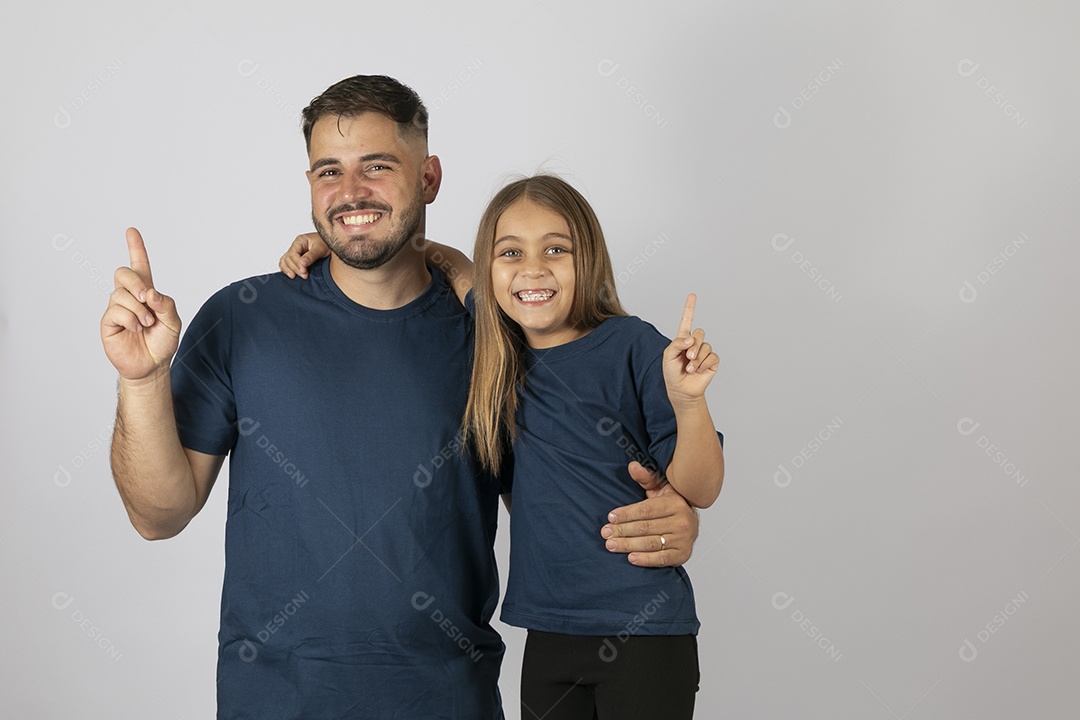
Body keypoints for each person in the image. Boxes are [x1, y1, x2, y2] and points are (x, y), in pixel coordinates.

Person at [100, 75, 701, 719]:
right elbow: (156, 516)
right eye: (328, 170)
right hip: (272, 702)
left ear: (429, 178)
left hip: (449, 701)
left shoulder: (496, 340)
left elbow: (575, 485)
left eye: (377, 166)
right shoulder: (242, 318)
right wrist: (141, 380)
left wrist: (671, 516)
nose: (351, 192)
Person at [280, 174, 724, 719]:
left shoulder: (633, 346)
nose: (532, 269)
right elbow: (449, 264)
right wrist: (344, 246)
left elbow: (699, 490)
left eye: (556, 249)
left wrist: (688, 402)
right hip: (547, 634)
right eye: (510, 252)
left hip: (645, 631)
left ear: (590, 260)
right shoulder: (498, 348)